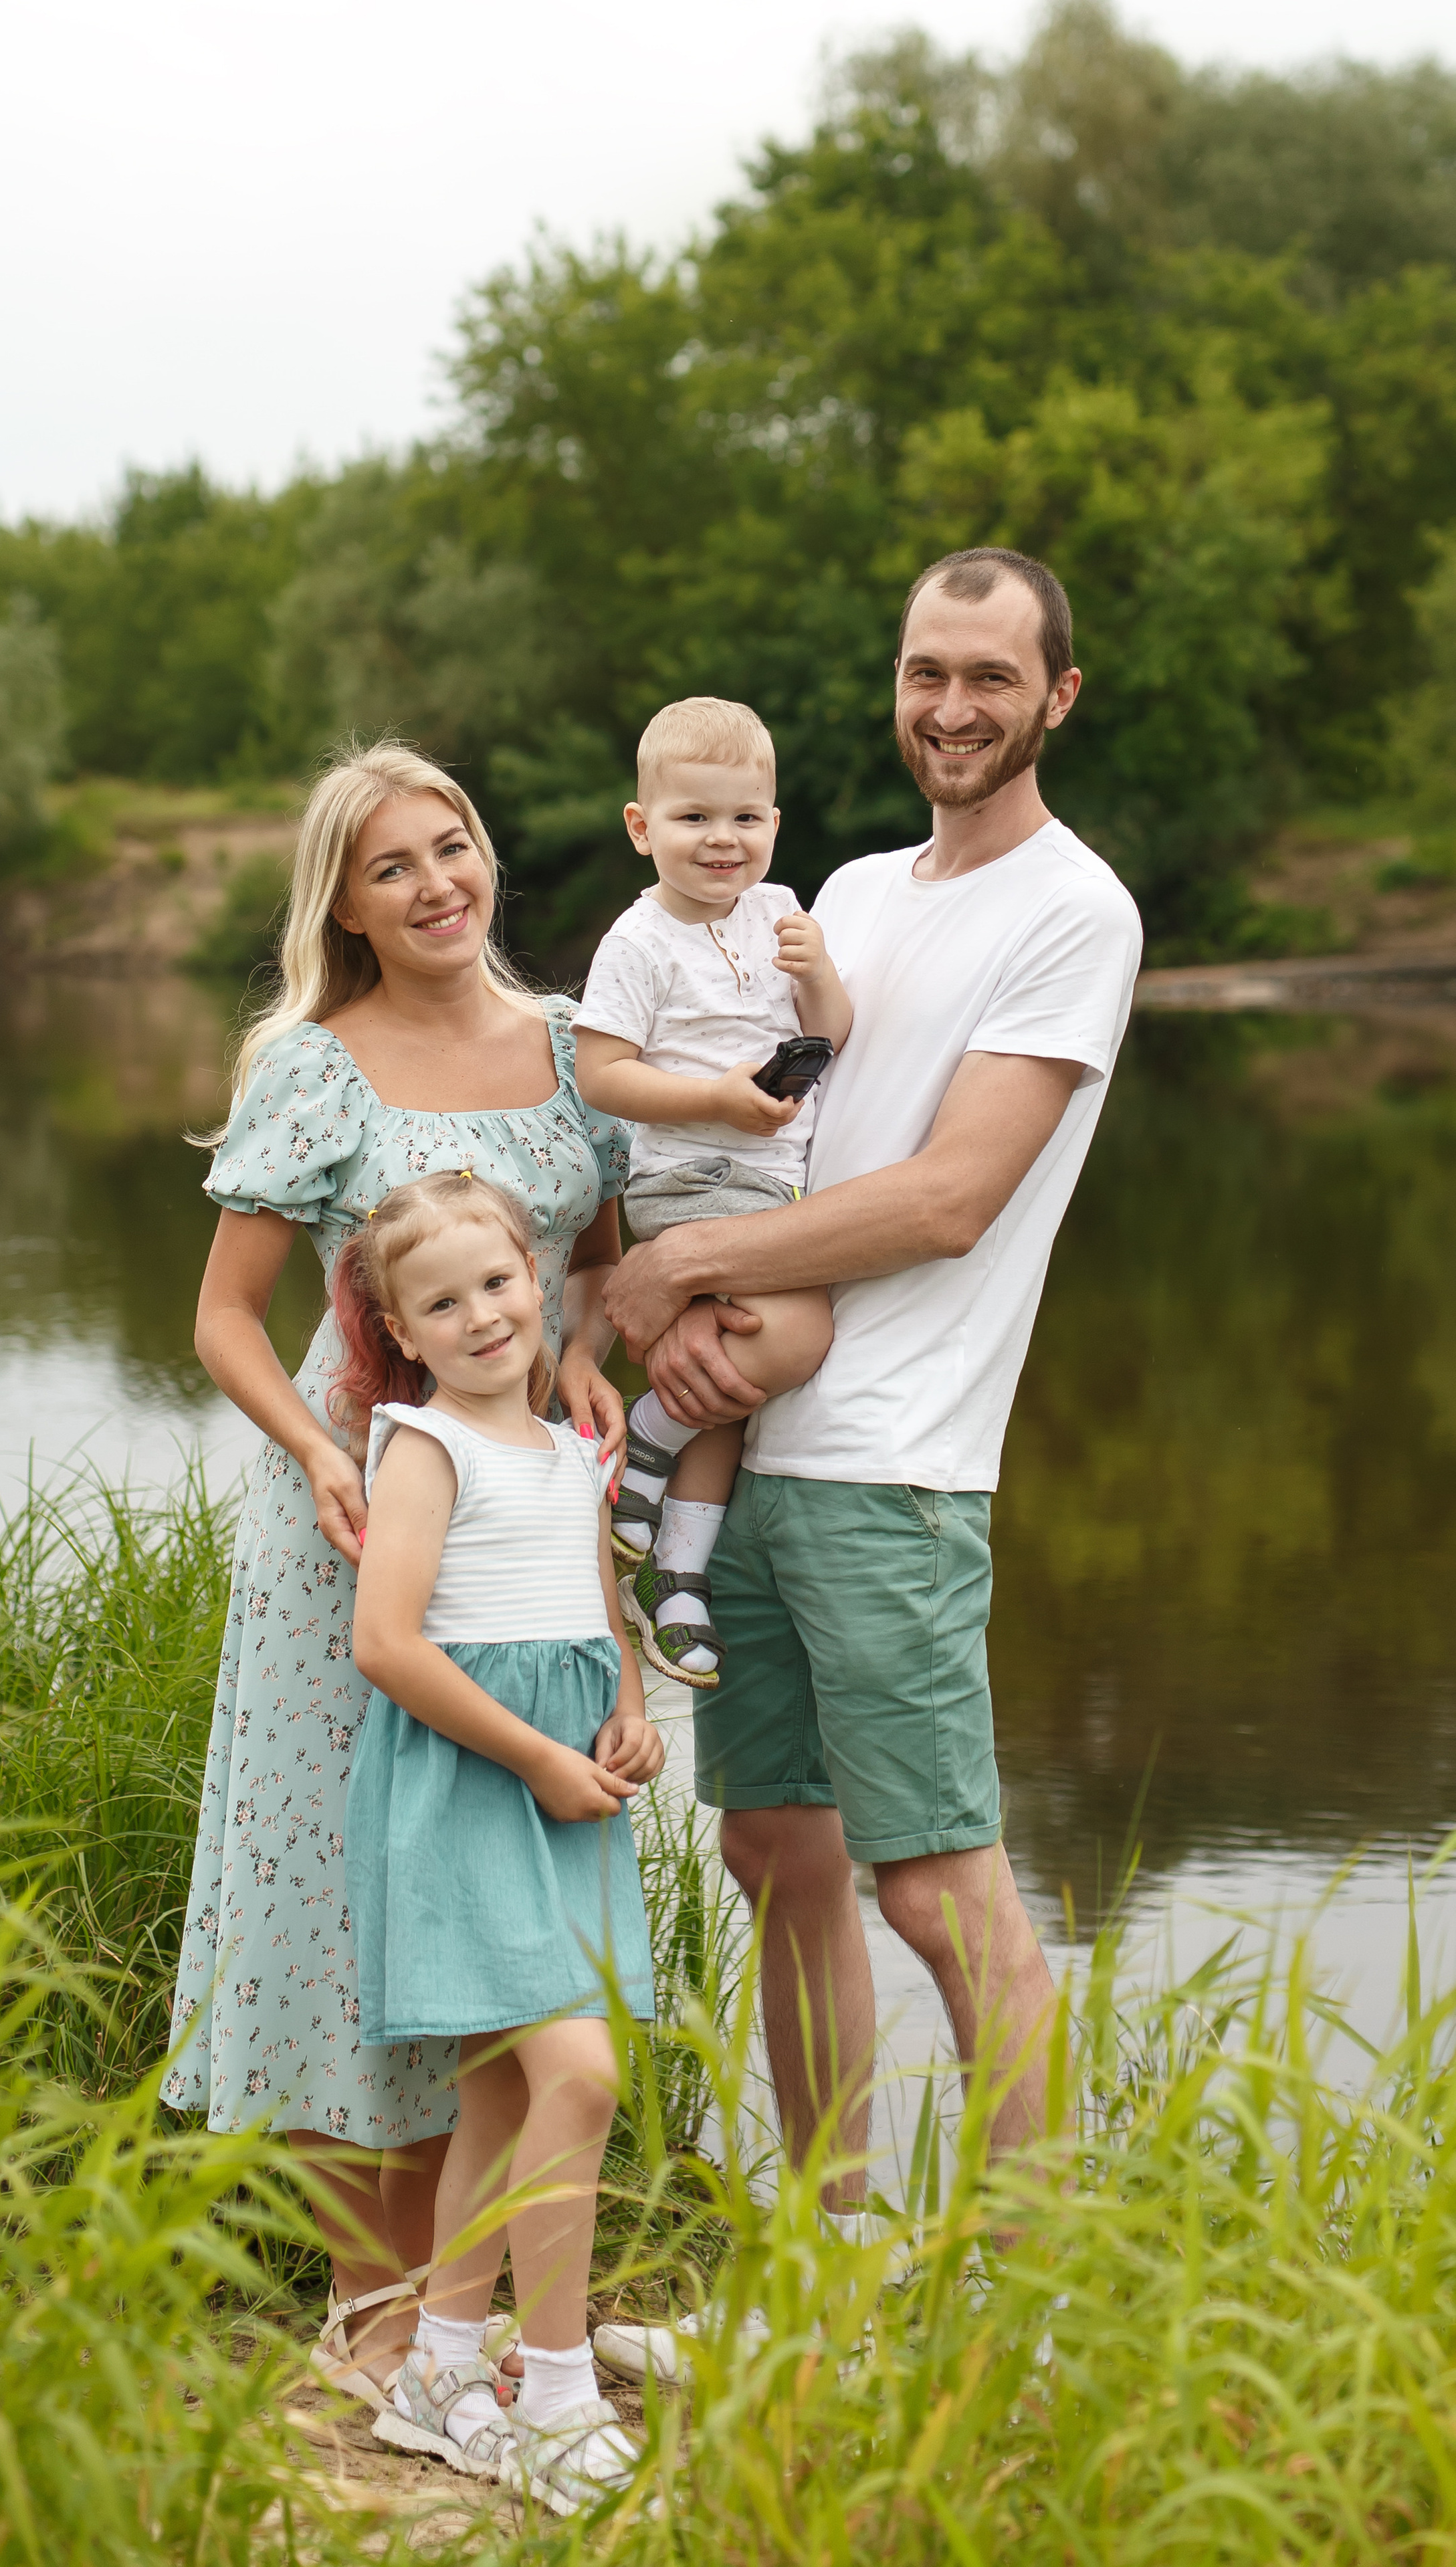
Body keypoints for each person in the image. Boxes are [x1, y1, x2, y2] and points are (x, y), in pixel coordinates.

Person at [600, 547, 1143, 2241]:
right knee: (779, 1853)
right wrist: (682, 1310)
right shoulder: (832, 894)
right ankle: (830, 2245)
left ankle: (1025, 2278)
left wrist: (681, 1282)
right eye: (926, 671)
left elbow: (946, 1197)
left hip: (896, 1457)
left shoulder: (1074, 907)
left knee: (932, 1877)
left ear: (1054, 696)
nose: (951, 707)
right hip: (754, 1434)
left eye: (990, 676)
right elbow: (778, 1138)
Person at [160, 744, 631, 2405]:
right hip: (359, 1536)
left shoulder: (578, 1049)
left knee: (505, 1887)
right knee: (343, 1907)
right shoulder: (316, 1065)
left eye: (456, 848)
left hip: (531, 1534)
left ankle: (469, 2305)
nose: (437, 886)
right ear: (342, 906)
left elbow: (597, 1275)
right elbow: (223, 1316)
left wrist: (590, 1356)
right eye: (390, 869)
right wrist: (314, 1445)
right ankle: (373, 2312)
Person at [336, 1168, 661, 2511]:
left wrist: (629, 1702)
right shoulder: (424, 1446)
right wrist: (531, 1753)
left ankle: (439, 2370)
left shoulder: (570, 1441)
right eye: (442, 1300)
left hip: (565, 1777)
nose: (480, 1314)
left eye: (498, 1281)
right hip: (472, 1783)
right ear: (401, 1330)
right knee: (579, 2070)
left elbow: (593, 1589)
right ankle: (558, 2380)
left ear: (537, 1279)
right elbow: (384, 1640)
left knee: (506, 2087)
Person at [573, 696, 853, 1686]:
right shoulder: (639, 941)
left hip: (772, 1178)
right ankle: (644, 1442)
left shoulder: (783, 913)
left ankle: (677, 1577)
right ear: (643, 828)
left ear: (775, 824)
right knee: (794, 1338)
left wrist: (819, 979)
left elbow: (837, 1032)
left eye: (745, 817)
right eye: (693, 818)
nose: (722, 840)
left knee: (725, 1391)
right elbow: (600, 1073)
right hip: (691, 1177)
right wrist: (716, 1102)